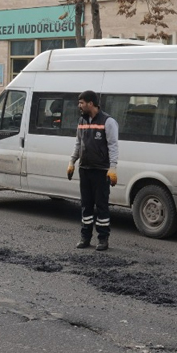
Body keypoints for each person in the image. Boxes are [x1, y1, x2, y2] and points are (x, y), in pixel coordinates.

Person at [67, 90, 119, 251]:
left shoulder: (108, 121)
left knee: (101, 205)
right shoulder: (82, 120)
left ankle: (103, 239)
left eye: (82, 103)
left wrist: (113, 168)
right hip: (85, 169)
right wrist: (72, 162)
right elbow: (78, 143)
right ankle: (85, 237)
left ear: (91, 103)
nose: (79, 106)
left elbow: (113, 146)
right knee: (86, 205)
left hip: (101, 171)